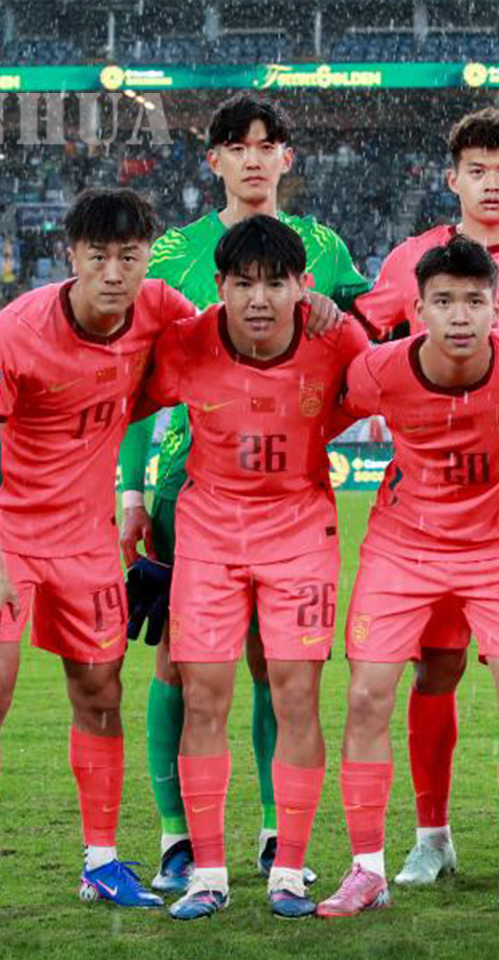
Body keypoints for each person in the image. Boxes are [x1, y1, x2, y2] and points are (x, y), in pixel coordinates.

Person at [115, 93, 365, 895]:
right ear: (214, 159)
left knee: (278, 667)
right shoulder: (173, 254)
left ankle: (273, 832)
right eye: (237, 145)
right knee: (185, 668)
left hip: (290, 487)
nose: (253, 159)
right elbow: (134, 381)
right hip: (189, 486)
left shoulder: (325, 248)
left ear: (287, 158)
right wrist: (130, 489)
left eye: (267, 145)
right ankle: (178, 838)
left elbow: (370, 352)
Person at [348, 107, 499, 888]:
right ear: (451, 178)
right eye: (477, 171)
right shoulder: (411, 260)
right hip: (428, 505)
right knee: (436, 669)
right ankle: (433, 835)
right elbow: (359, 339)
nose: (491, 184)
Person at [0, 188, 198, 934]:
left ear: (146, 259)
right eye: (98, 257)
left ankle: (101, 862)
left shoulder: (161, 308)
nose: (114, 273)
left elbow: (221, 342)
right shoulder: (19, 328)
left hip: (87, 540)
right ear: (71, 257)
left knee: (100, 693)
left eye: (129, 257)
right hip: (6, 538)